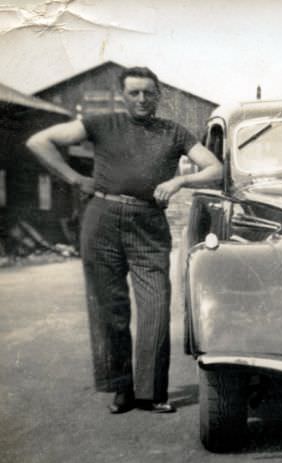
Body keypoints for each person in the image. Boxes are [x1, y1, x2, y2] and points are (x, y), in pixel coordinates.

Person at [27, 66, 222, 414]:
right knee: (110, 309)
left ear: (158, 95)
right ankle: (123, 389)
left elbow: (215, 168)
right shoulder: (102, 123)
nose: (141, 99)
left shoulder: (174, 131)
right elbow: (39, 141)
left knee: (156, 307)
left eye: (148, 92)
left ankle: (151, 392)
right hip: (101, 220)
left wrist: (179, 183)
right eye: (133, 93)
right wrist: (74, 178)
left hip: (149, 222)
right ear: (123, 96)